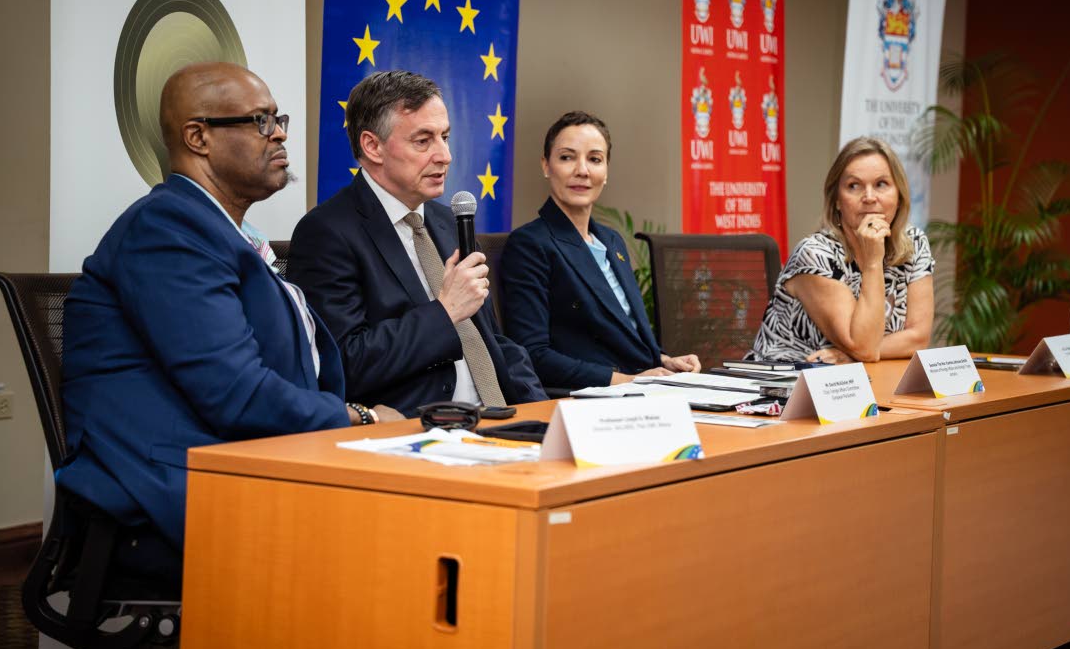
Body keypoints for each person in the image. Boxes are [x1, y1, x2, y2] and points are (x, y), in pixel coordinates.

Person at [56, 62, 400, 584]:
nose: (280, 132)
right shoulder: (168, 229)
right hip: (169, 491)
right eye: (260, 121)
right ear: (198, 138)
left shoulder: (223, 231)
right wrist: (362, 419)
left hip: (252, 464)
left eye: (277, 117)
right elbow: (236, 394)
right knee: (409, 530)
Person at [288, 70, 545, 416]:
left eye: (445, 137)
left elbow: (492, 341)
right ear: (372, 146)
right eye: (423, 141)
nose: (444, 156)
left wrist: (543, 412)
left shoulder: (448, 222)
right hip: (421, 429)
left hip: (500, 418)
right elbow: (346, 364)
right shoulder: (326, 233)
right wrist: (445, 311)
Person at [501, 111, 701, 390]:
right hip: (590, 399)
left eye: (594, 159)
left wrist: (665, 362)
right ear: (546, 166)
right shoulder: (530, 244)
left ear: (605, 171)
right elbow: (534, 355)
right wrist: (630, 381)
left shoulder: (612, 240)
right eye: (567, 157)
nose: (582, 170)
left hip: (644, 389)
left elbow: (623, 336)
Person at [749, 136, 934, 363]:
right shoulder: (815, 254)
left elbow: (917, 338)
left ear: (899, 195)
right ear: (837, 199)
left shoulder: (914, 243)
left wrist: (850, 355)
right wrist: (873, 262)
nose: (869, 197)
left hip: (857, 383)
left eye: (881, 184)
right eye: (854, 186)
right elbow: (864, 347)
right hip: (783, 388)